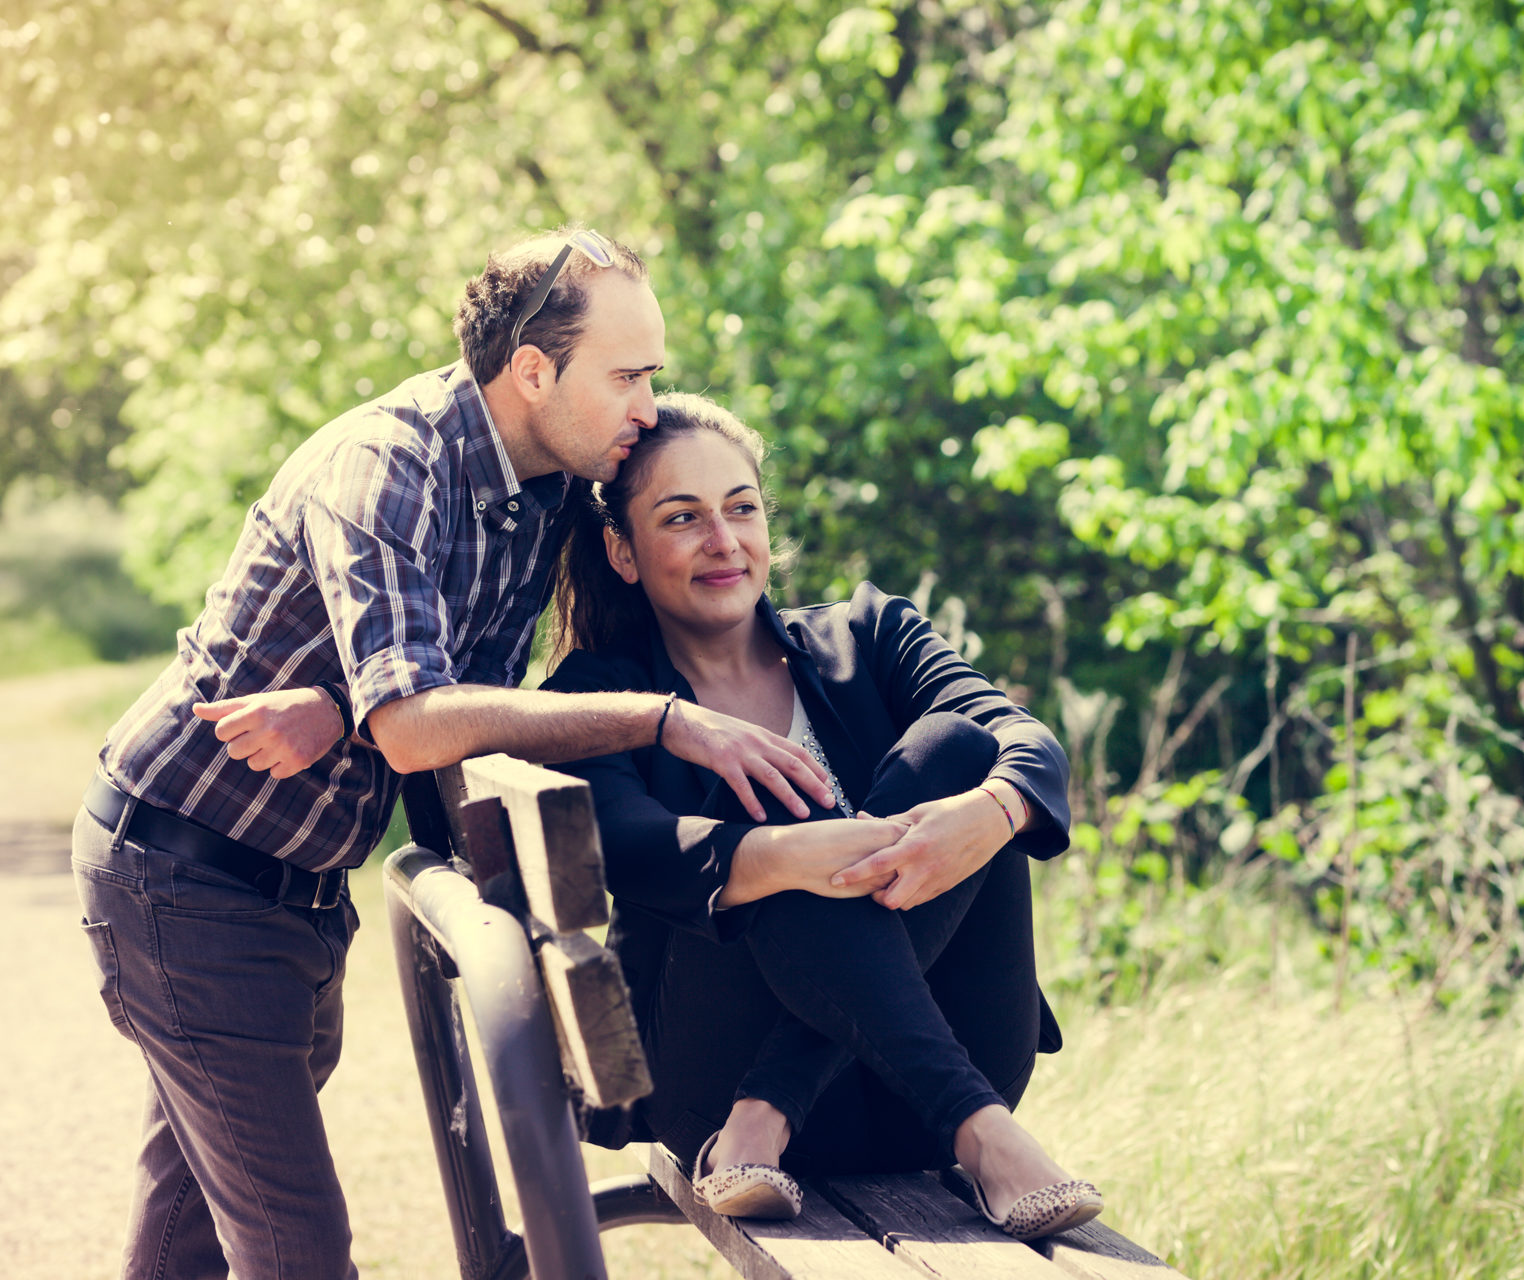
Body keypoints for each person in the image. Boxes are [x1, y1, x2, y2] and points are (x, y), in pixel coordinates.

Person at [71, 229, 836, 1280]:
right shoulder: (389, 464)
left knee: (188, 1228)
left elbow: (444, 696)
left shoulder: (551, 487)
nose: (648, 404)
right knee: (295, 1247)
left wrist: (341, 703)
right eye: (628, 374)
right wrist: (662, 717)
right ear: (533, 370)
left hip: (290, 885)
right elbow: (416, 723)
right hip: (183, 871)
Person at [539, 392, 1103, 1240]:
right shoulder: (598, 698)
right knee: (752, 804)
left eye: (741, 509)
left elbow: (1025, 739)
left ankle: (775, 1103)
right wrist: (790, 855)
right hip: (712, 1080)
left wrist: (990, 814)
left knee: (958, 750)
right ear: (622, 550)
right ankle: (984, 1137)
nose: (724, 542)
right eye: (682, 518)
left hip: (917, 1080)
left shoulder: (870, 633)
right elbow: (629, 845)